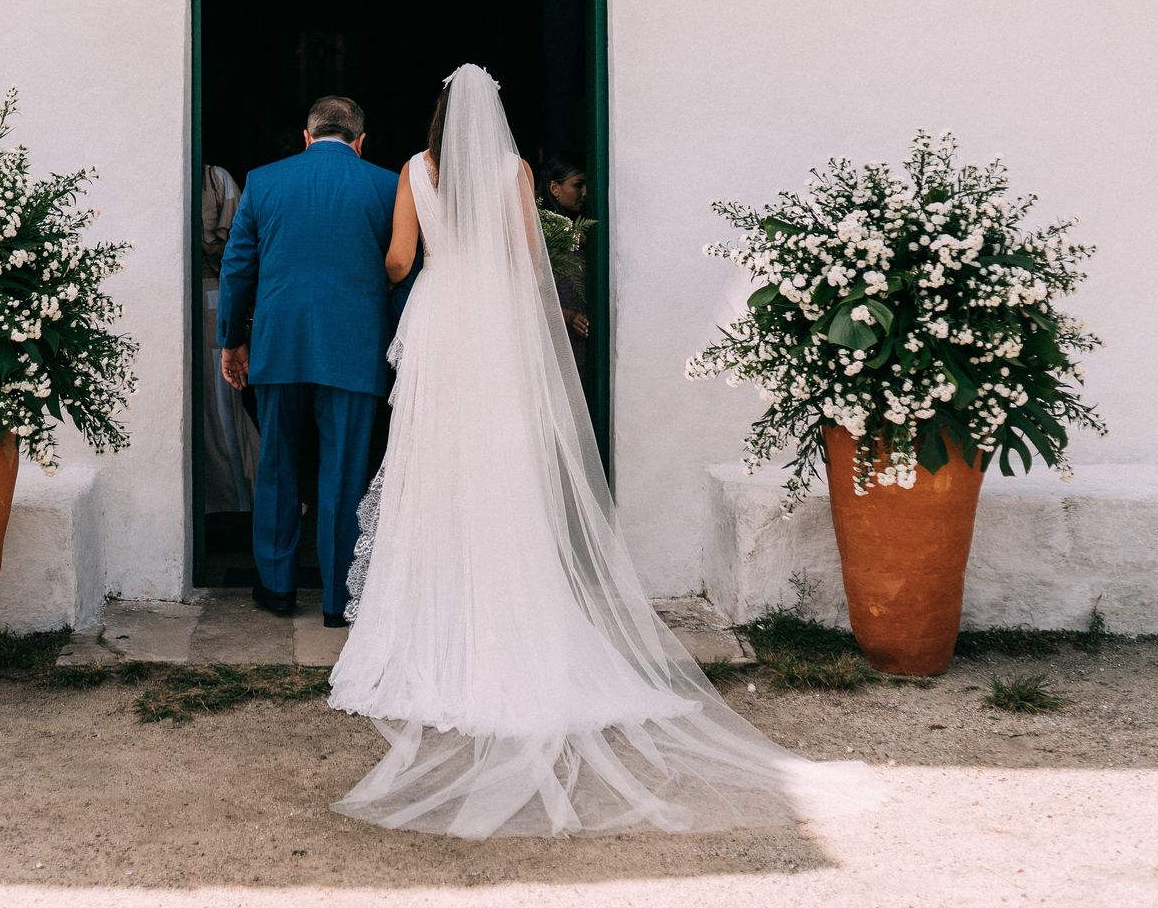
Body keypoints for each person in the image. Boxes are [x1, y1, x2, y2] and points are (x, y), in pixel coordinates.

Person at [328, 65, 883, 838]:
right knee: (500, 460)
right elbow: (528, 260)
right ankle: (510, 604)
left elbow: (398, 260)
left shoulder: (415, 171)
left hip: (439, 316)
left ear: (438, 115)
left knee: (436, 458)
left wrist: (412, 269)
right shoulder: (512, 171)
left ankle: (434, 613)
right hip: (490, 319)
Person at [216, 96, 397, 627]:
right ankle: (339, 598)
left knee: (276, 463)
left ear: (307, 136)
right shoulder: (387, 186)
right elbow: (404, 272)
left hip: (281, 344)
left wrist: (232, 340)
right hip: (356, 348)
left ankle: (277, 586)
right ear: (360, 141)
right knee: (345, 472)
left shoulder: (264, 181)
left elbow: (237, 267)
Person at [199, 164, 258, 512]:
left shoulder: (215, 178)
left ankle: (238, 496)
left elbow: (239, 246)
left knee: (221, 401)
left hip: (211, 295)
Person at [537, 154, 592, 388]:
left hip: (580, 333)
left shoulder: (577, 230)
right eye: (577, 185)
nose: (585, 192)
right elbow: (531, 293)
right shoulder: (544, 233)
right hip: (554, 334)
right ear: (554, 188)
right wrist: (569, 316)